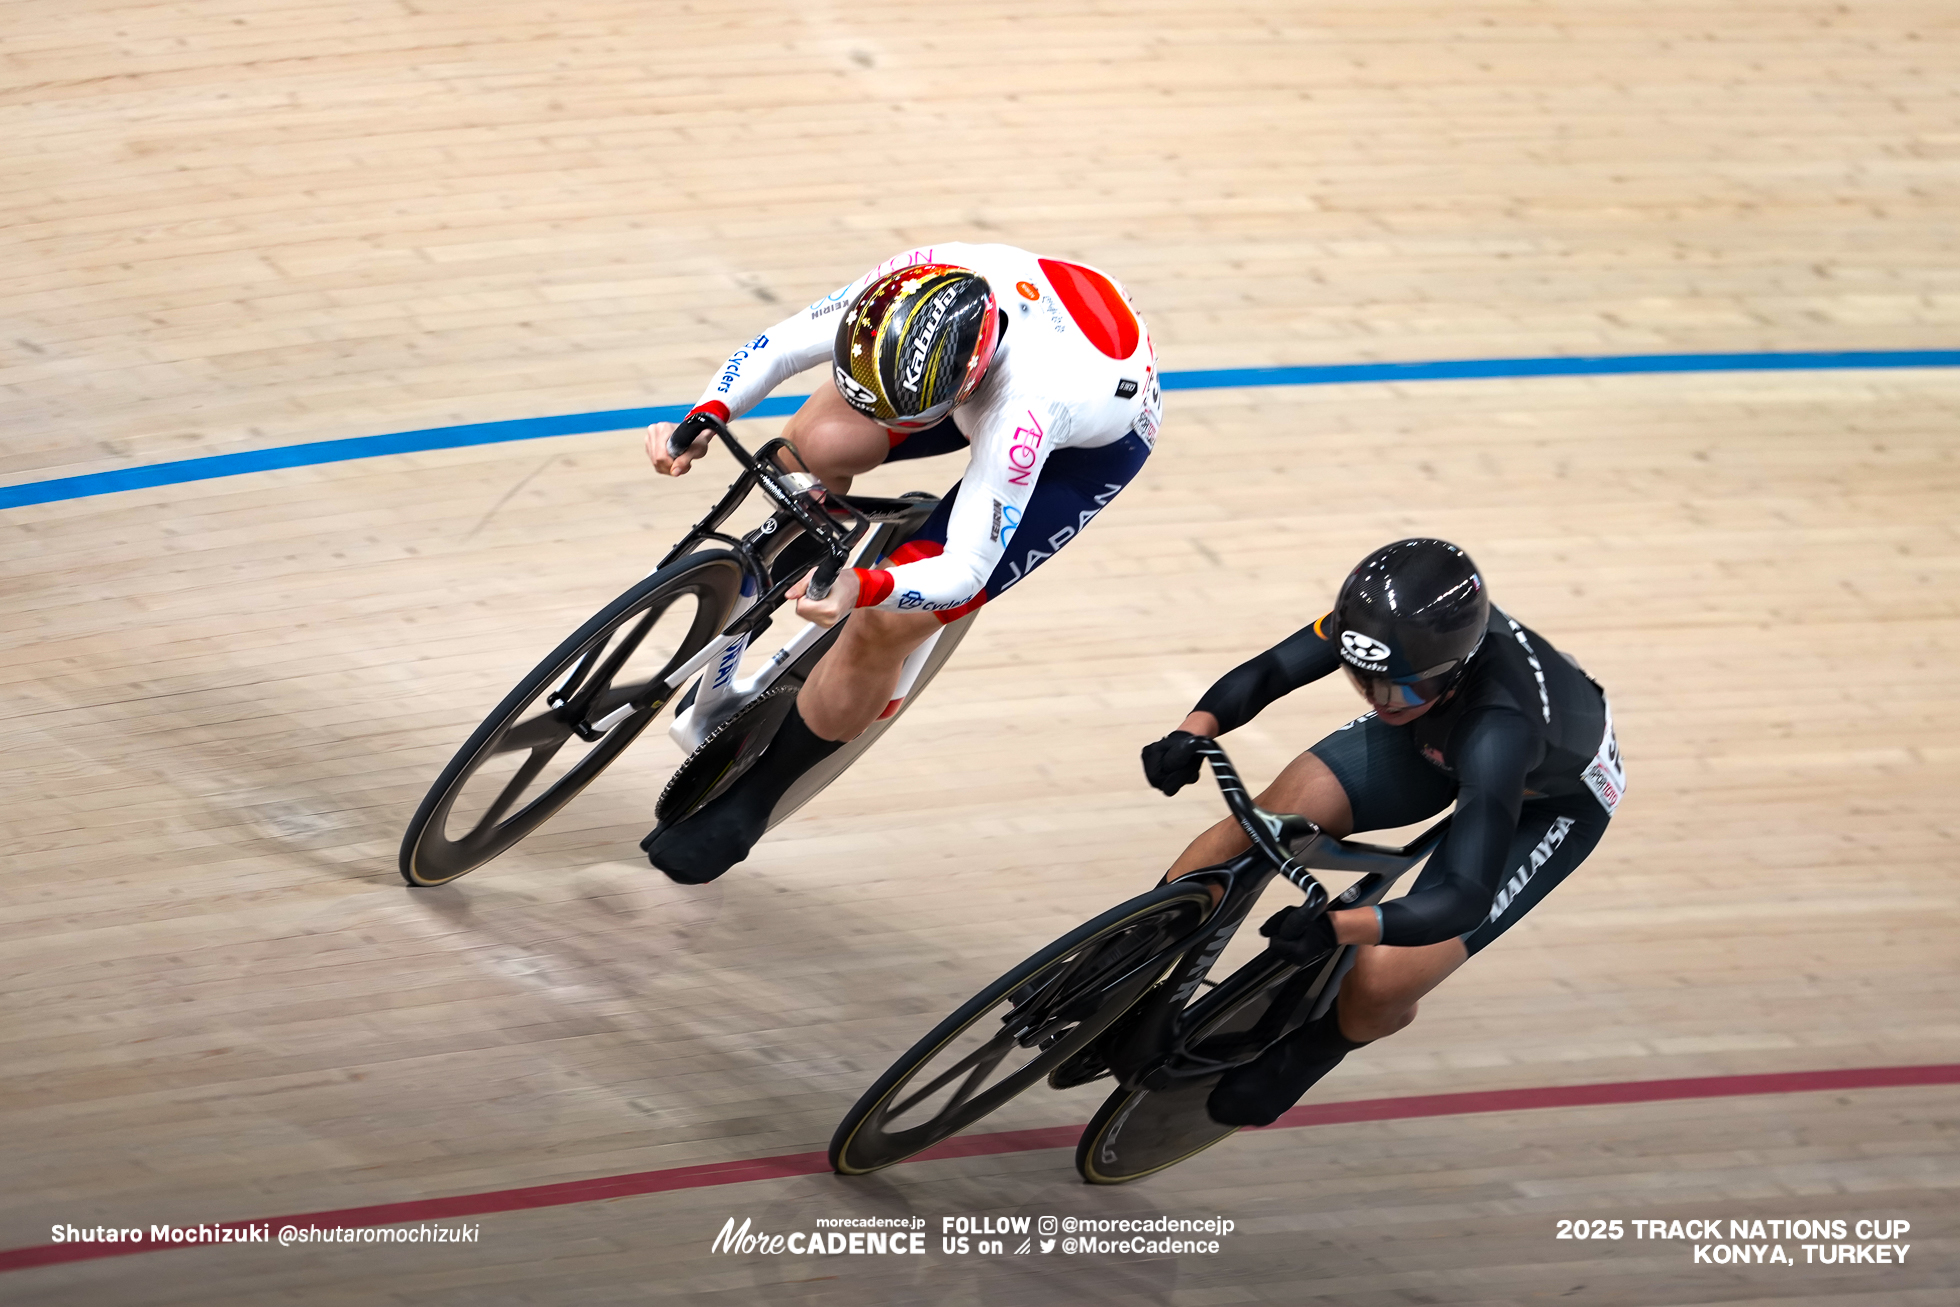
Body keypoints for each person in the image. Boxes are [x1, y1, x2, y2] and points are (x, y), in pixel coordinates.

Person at [641, 244, 1163, 883]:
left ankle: (755, 799)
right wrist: (707, 413)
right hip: (994, 356)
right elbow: (779, 346)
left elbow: (968, 566)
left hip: (1083, 440)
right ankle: (810, 545)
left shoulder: (1026, 409)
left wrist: (867, 585)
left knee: (889, 623)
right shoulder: (911, 281)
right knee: (812, 445)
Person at [1136, 538, 1626, 1127]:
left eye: (1399, 688)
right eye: (1363, 682)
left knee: (1381, 976)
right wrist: (1194, 729)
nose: (1378, 701)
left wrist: (1334, 927)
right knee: (1264, 823)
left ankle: (1313, 1051)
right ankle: (1131, 958)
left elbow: (1464, 897)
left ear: (1454, 670)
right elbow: (1271, 670)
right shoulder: (1390, 634)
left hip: (1544, 800)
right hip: (1440, 732)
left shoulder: (1500, 726)